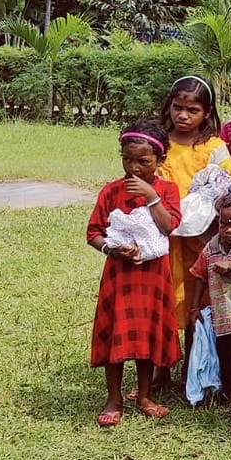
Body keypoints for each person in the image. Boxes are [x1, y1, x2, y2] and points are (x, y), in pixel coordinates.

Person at [87, 120, 182, 427]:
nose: (135, 168)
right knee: (118, 332)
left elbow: (169, 226)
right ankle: (114, 397)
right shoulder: (111, 191)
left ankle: (143, 394)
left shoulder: (167, 190)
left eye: (144, 161)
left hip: (153, 277)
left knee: (146, 336)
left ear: (161, 160)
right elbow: (94, 232)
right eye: (128, 160)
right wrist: (111, 249)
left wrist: (151, 195)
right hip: (120, 276)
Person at [157, 75, 231, 386]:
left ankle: (193, 368)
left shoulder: (214, 147)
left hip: (198, 240)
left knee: (196, 305)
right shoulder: (160, 142)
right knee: (163, 301)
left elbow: (229, 186)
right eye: (178, 108)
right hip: (162, 237)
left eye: (192, 110)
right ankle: (161, 370)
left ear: (207, 113)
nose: (183, 116)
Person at [185, 190, 231, 415]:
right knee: (225, 355)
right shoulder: (211, 248)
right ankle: (228, 392)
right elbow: (199, 275)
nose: (228, 229)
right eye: (223, 223)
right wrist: (194, 307)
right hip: (221, 318)